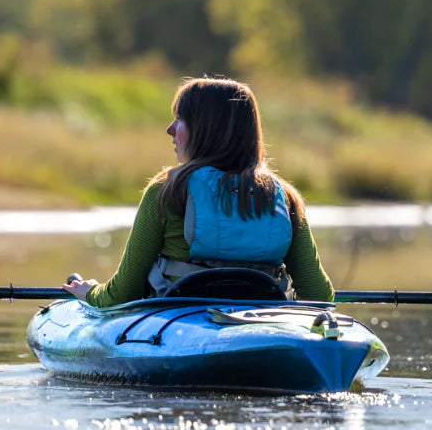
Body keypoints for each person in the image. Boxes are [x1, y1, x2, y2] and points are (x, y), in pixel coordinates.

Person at [63, 75, 334, 306]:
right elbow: (319, 295)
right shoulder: (283, 197)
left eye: (180, 119)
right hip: (262, 322)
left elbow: (122, 295)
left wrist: (90, 293)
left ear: (206, 130)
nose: (170, 129)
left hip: (176, 326)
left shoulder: (167, 191)